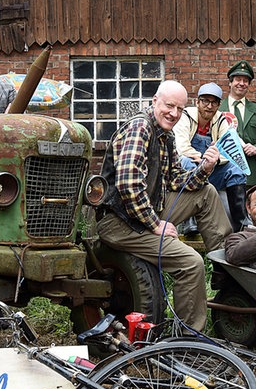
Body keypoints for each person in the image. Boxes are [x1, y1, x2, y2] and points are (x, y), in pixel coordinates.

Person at [95, 80, 232, 331]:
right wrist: (155, 224)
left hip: (145, 210)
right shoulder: (140, 128)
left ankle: (226, 266)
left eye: (180, 109)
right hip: (119, 221)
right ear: (155, 100)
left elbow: (177, 180)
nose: (174, 113)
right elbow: (128, 184)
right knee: (191, 263)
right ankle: (189, 336)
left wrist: (205, 168)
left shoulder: (165, 135)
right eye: (169, 106)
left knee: (207, 191)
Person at [172, 82, 251, 232]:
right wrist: (204, 159)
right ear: (197, 102)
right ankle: (189, 221)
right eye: (205, 101)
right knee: (187, 162)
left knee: (236, 169)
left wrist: (214, 160)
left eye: (213, 102)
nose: (209, 106)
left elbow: (229, 150)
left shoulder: (221, 120)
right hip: (185, 174)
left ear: (218, 105)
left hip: (211, 171)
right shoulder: (185, 117)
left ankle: (241, 222)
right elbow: (182, 148)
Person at [219, 60, 256, 185]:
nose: (242, 84)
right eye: (238, 79)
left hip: (251, 174)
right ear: (230, 82)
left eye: (245, 81)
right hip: (224, 171)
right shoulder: (218, 110)